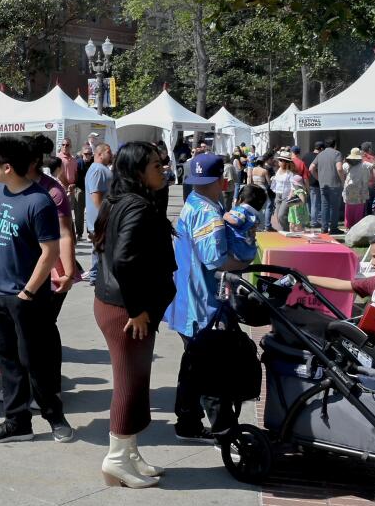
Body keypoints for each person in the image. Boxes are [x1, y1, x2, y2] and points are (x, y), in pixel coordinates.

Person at [0, 135, 70, 444]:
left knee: (34, 362)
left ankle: (54, 416)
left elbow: (49, 251)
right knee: (8, 360)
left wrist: (27, 292)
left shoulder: (39, 202)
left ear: (8, 167)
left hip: (28, 296)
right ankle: (17, 422)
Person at [91, 141, 175, 487]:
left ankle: (129, 452)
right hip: (126, 309)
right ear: (138, 171)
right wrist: (139, 310)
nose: (163, 169)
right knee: (128, 382)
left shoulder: (123, 201)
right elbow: (124, 261)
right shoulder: (136, 206)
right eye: (156, 165)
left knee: (138, 381)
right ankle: (116, 459)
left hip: (122, 304)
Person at [164, 152, 257, 440]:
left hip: (187, 300)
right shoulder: (209, 212)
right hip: (203, 304)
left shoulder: (194, 203)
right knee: (212, 367)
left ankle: (187, 422)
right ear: (222, 181)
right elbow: (216, 260)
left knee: (194, 363)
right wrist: (245, 262)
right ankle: (224, 430)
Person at [26, 135, 77, 316]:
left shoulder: (54, 191)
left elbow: (65, 233)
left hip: (50, 271)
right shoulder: (9, 186)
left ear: (32, 162)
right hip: (20, 270)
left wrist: (69, 274)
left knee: (44, 327)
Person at [83, 143, 113, 283]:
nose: (111, 154)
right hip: (100, 220)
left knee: (99, 249)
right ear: (100, 154)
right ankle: (96, 276)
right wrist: (105, 217)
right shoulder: (97, 170)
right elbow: (96, 197)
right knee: (100, 249)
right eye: (109, 151)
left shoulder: (100, 169)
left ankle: (96, 275)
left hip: (100, 220)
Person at [311, 138, 344, 234]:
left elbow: (311, 168)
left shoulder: (320, 154)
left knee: (324, 206)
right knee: (334, 207)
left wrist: (318, 178)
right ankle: (333, 228)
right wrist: (343, 181)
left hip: (323, 184)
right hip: (334, 184)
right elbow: (339, 168)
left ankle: (324, 228)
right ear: (335, 145)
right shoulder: (337, 153)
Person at [222, 184, 268, 255]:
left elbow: (235, 220)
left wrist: (225, 215)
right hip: (249, 249)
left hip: (237, 249)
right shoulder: (255, 215)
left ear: (240, 199)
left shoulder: (242, 210)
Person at [268, 151, 304, 232]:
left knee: (281, 215)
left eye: (281, 160)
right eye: (279, 160)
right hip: (278, 195)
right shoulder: (278, 170)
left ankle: (286, 231)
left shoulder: (290, 173)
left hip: (286, 196)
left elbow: (293, 185)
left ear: (285, 162)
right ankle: (285, 231)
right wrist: (273, 178)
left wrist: (290, 195)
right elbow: (277, 181)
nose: (279, 162)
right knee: (278, 216)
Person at [341, 148, 374, 230]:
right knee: (359, 209)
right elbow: (374, 166)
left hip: (349, 190)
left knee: (349, 209)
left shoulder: (346, 165)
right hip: (361, 191)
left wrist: (342, 181)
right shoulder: (365, 164)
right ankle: (357, 227)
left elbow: (340, 170)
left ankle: (348, 226)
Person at [73, 142, 95, 239]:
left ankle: (90, 232)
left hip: (91, 190)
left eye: (90, 154)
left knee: (91, 212)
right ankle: (79, 233)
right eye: (86, 154)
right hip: (80, 189)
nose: (88, 156)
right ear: (82, 154)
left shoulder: (94, 163)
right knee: (79, 213)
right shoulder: (78, 163)